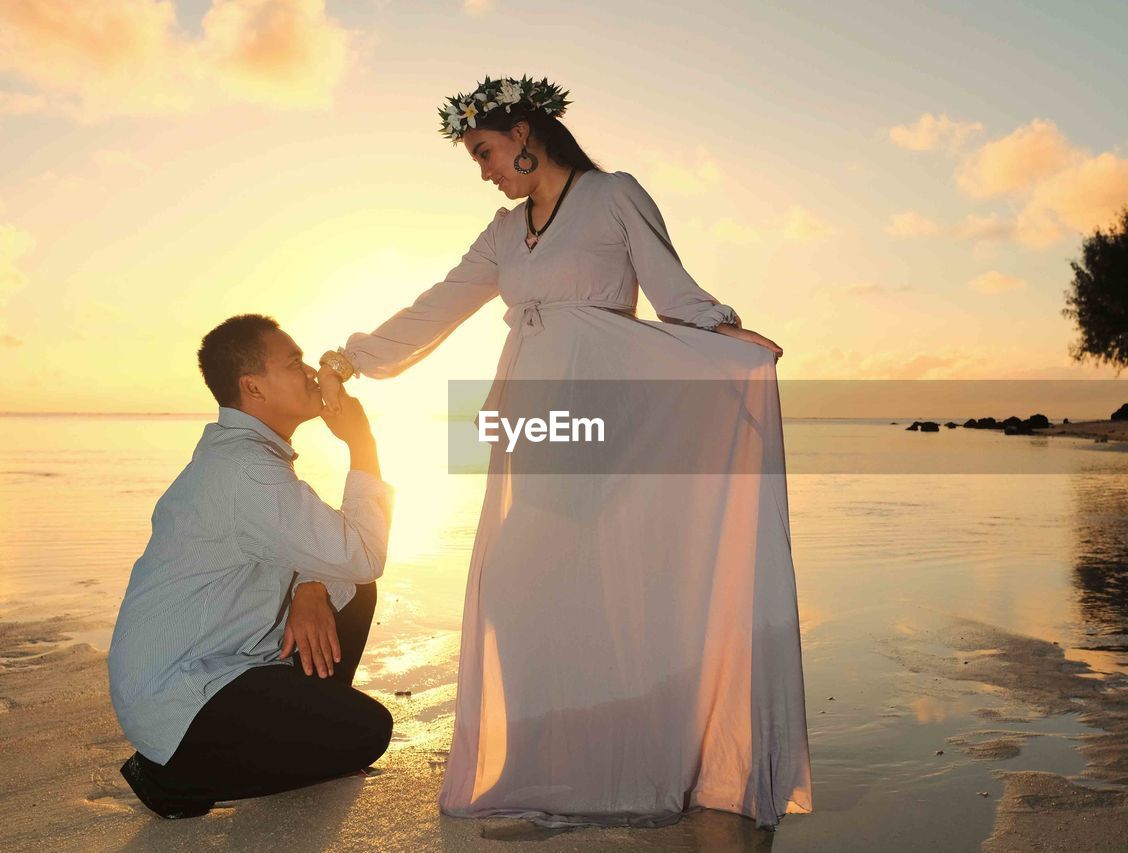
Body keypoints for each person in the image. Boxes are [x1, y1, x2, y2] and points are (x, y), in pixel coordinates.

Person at [317, 76, 812, 829]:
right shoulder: (502, 233)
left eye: (483, 150)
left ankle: (584, 781)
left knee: (534, 586)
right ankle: (559, 775)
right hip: (524, 417)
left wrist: (722, 334)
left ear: (523, 134)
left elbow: (672, 289)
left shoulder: (614, 195)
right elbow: (440, 303)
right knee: (531, 595)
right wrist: (357, 357)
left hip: (600, 407)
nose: (480, 167)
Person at [107, 314, 395, 819]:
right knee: (369, 732)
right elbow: (364, 551)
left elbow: (330, 553)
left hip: (224, 665)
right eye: (293, 363)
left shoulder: (243, 457)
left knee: (349, 586)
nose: (310, 372)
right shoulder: (249, 472)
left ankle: (308, 731)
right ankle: (171, 780)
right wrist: (361, 443)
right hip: (182, 699)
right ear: (253, 387)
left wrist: (310, 587)